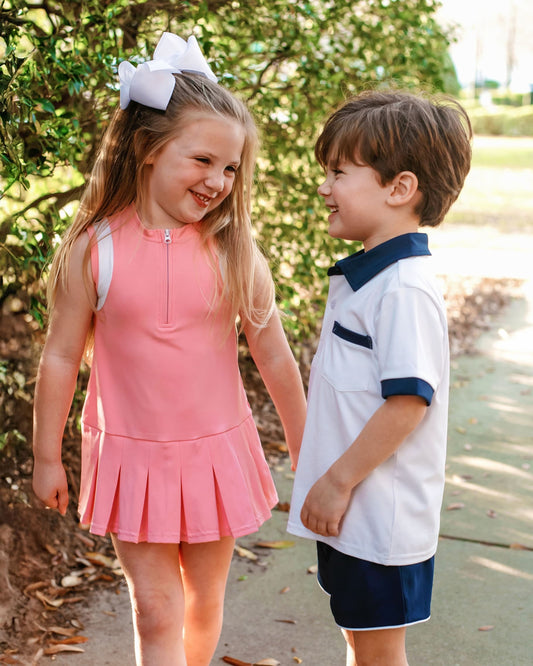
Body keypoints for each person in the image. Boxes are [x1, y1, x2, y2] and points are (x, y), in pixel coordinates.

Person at [32, 32, 306, 666]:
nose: (218, 181)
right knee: (155, 608)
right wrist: (49, 457)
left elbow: (275, 356)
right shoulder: (92, 250)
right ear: (149, 149)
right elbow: (58, 358)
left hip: (213, 453)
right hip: (131, 457)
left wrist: (305, 446)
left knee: (204, 602)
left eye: (231, 167)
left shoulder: (234, 251)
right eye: (203, 160)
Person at [287, 90, 472, 666]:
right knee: (360, 641)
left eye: (339, 172)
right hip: (353, 514)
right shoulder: (367, 278)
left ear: (399, 188)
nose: (324, 187)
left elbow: (407, 403)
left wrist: (337, 481)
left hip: (377, 517)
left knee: (380, 653)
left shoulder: (405, 290)